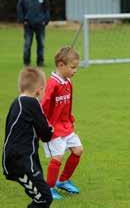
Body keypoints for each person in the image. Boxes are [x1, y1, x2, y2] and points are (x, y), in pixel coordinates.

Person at [2, 67, 54, 208]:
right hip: (20, 162)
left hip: (19, 158)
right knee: (44, 198)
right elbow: (46, 134)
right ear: (39, 90)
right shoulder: (32, 103)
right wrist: (51, 129)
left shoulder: (17, 102)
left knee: (42, 195)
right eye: (44, 90)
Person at [41, 47, 83, 200]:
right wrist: (43, 127)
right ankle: (49, 189)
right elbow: (43, 106)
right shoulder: (52, 83)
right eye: (72, 67)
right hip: (52, 129)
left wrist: (70, 119)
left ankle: (63, 180)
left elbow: (67, 103)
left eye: (76, 67)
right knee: (57, 158)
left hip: (66, 126)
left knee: (78, 150)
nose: (75, 70)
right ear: (60, 65)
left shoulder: (68, 82)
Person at [17, 0, 50, 67]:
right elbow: (20, 8)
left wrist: (46, 20)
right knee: (27, 44)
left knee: (41, 44)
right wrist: (23, 20)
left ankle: (40, 63)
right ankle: (26, 63)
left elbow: (47, 8)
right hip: (28, 24)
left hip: (40, 24)